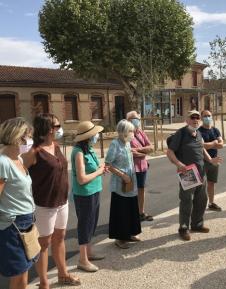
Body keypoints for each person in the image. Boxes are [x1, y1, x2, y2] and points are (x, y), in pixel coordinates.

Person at [22, 113, 80, 288]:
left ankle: (63, 274)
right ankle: (43, 283)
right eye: (57, 125)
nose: (59, 128)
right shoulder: (34, 152)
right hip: (44, 205)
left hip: (62, 202)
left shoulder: (56, 145)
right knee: (43, 244)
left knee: (60, 237)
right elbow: (17, 173)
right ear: (48, 129)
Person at [167, 110, 222, 241]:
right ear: (187, 120)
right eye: (193, 117)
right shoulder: (181, 133)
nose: (196, 120)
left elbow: (201, 148)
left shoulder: (198, 133)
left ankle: (197, 224)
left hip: (201, 172)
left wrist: (210, 160)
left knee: (201, 200)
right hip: (188, 172)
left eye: (198, 118)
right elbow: (169, 152)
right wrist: (179, 164)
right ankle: (183, 228)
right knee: (186, 201)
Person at [0, 117, 37, 289]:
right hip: (13, 224)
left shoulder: (19, 159)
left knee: (24, 270)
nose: (29, 140)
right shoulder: (3, 162)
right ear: (16, 137)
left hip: (26, 221)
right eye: (27, 136)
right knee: (17, 274)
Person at [71, 121, 105, 272]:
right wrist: (99, 172)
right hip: (84, 194)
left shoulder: (88, 149)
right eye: (95, 135)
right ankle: (82, 260)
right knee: (85, 225)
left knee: (92, 223)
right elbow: (82, 179)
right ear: (88, 137)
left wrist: (100, 168)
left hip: (94, 191)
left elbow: (93, 168)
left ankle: (89, 253)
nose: (97, 136)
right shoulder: (78, 152)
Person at [105, 119, 141, 249]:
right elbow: (108, 165)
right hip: (120, 183)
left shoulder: (127, 143)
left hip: (130, 182)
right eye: (130, 131)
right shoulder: (115, 144)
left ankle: (130, 233)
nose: (133, 133)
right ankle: (120, 238)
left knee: (131, 208)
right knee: (121, 211)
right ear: (124, 132)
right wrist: (122, 175)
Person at [126, 111, 154, 221]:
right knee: (130, 191)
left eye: (137, 118)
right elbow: (127, 151)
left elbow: (151, 147)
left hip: (142, 166)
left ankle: (141, 212)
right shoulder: (126, 133)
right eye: (133, 119)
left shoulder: (141, 133)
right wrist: (143, 152)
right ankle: (131, 214)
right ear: (128, 121)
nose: (136, 121)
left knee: (141, 189)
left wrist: (138, 150)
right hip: (131, 168)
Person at [198, 110, 224, 211]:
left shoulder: (215, 130)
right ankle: (200, 204)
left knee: (211, 183)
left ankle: (211, 203)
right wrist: (214, 143)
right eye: (205, 116)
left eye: (209, 116)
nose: (207, 118)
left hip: (215, 160)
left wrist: (210, 144)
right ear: (201, 118)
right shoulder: (199, 131)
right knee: (201, 185)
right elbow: (201, 146)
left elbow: (221, 145)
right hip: (202, 161)